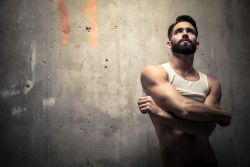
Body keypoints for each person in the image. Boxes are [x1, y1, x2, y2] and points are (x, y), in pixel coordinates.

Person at [138, 15, 231, 167]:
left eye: (190, 31)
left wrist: (161, 113)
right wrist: (223, 114)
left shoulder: (212, 84)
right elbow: (183, 108)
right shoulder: (154, 72)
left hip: (208, 162)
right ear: (169, 43)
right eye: (178, 31)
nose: (185, 33)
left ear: (197, 43)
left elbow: (206, 129)